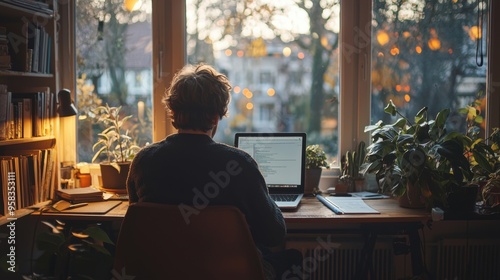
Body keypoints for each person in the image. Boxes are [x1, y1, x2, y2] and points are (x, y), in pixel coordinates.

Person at [126, 63, 302, 279]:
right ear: (215, 117)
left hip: (162, 270)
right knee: (291, 258)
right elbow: (274, 234)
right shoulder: (239, 164)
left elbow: (137, 221)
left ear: (172, 110)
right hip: (231, 272)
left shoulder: (144, 161)